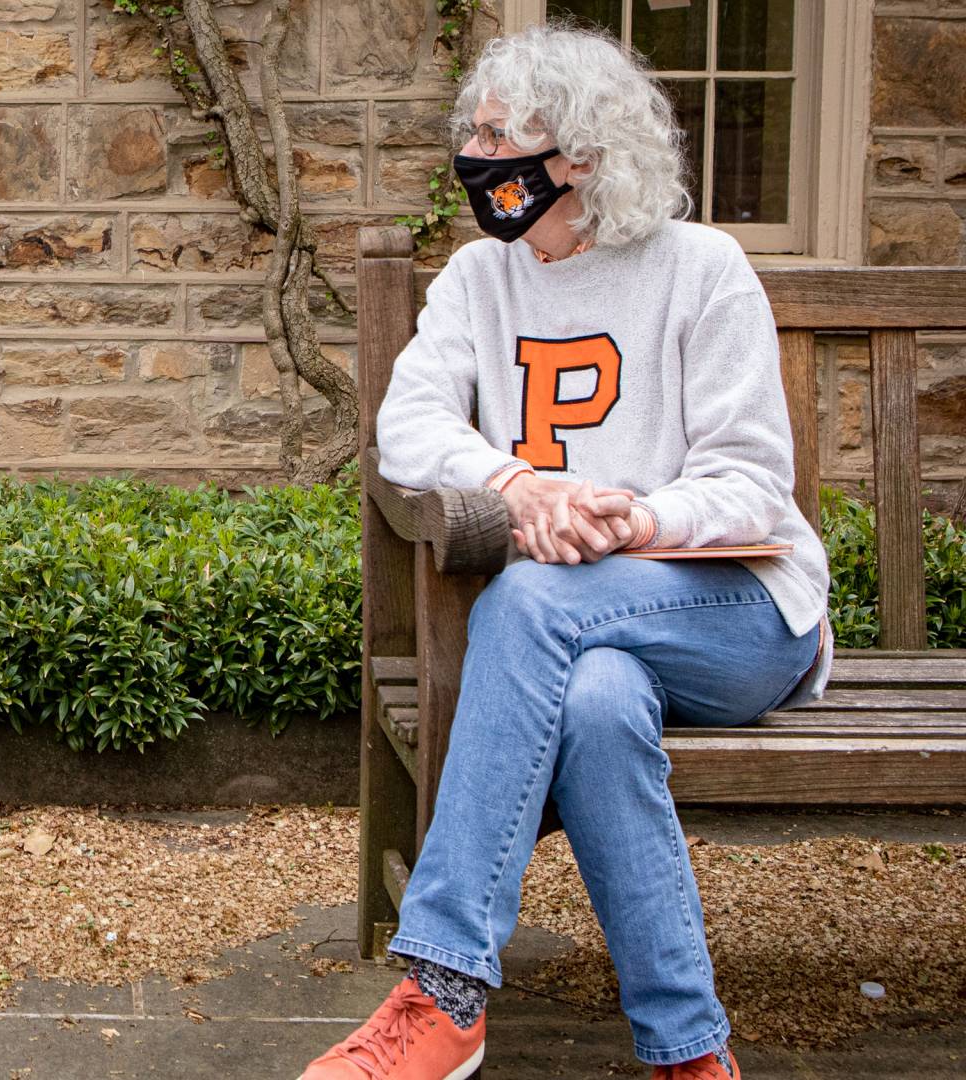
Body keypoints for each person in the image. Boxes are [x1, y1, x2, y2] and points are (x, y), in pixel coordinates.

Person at [297, 25, 830, 1080]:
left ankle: (444, 990)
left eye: (501, 136)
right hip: (579, 636)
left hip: (734, 610)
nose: (476, 156)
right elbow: (407, 424)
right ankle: (690, 1053)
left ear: (580, 155)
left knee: (535, 600)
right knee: (594, 704)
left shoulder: (702, 272)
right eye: (475, 133)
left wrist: (635, 519)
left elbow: (753, 483)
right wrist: (519, 487)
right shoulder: (479, 280)